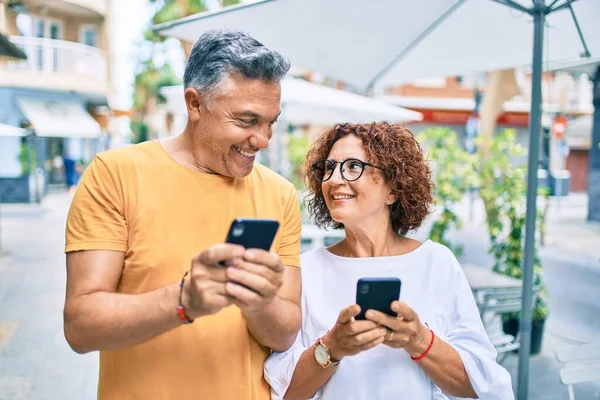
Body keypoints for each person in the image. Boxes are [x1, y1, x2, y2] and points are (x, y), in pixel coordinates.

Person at [63, 30, 302, 400]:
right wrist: (184, 301)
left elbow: (286, 332)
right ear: (194, 104)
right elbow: (80, 326)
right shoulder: (115, 174)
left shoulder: (280, 193)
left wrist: (257, 300)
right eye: (247, 120)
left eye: (271, 121)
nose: (263, 140)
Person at [264, 122, 514, 399]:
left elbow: (479, 386)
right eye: (329, 168)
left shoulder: (436, 263)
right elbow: (285, 392)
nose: (334, 179)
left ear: (393, 189)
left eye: (352, 167)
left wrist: (419, 340)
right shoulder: (307, 270)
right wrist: (332, 347)